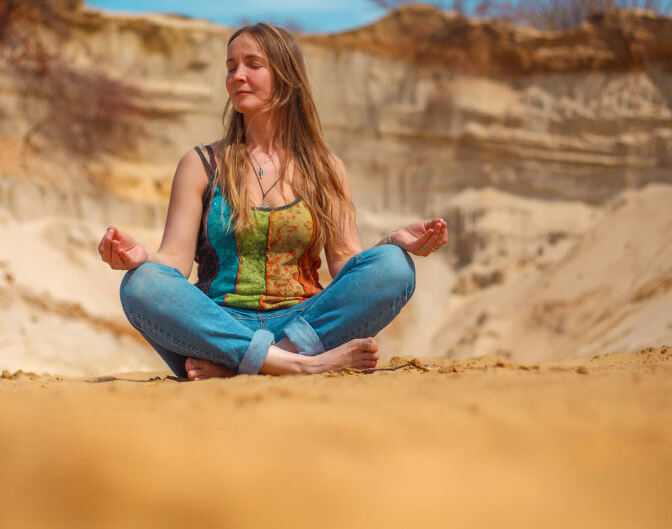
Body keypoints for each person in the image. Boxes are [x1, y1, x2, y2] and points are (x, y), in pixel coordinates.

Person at [97, 22, 447, 380]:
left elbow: (346, 263)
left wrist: (393, 243)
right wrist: (141, 258)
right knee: (140, 284)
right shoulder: (201, 164)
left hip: (305, 325)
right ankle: (296, 365)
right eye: (231, 67)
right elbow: (174, 261)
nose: (237, 76)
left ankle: (257, 363)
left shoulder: (326, 169)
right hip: (220, 325)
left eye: (252, 64)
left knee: (394, 266)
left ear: (285, 76)